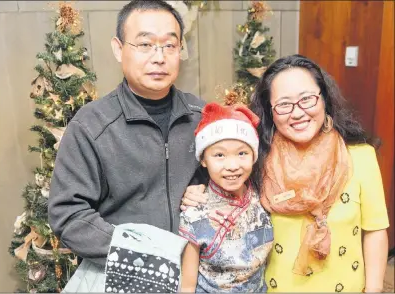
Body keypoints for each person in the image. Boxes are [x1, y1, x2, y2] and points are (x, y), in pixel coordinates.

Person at [181, 54, 389, 292]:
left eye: (307, 99)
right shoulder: (257, 160)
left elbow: (375, 230)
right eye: (284, 105)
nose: (298, 113)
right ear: (270, 112)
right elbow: (224, 192)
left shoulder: (360, 156)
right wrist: (197, 192)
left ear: (325, 99)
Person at [48, 0, 205, 270]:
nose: (159, 57)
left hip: (197, 274)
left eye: (170, 45)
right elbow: (68, 213)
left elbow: (232, 177)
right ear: (118, 49)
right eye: (145, 44)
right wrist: (139, 253)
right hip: (124, 271)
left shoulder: (202, 115)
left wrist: (206, 189)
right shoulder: (91, 125)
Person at [179, 102, 273, 292]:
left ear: (253, 156)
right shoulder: (195, 213)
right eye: (219, 155)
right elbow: (187, 286)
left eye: (242, 153)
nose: (232, 165)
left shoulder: (262, 195)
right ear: (203, 160)